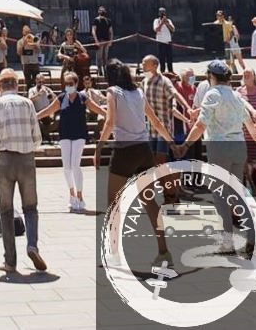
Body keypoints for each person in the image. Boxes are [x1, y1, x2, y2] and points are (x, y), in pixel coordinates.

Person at [95, 59, 178, 265]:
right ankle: (164, 251)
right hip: (144, 150)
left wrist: (99, 147)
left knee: (113, 203)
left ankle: (114, 253)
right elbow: (155, 121)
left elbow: (110, 121)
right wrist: (171, 143)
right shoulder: (139, 92)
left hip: (124, 151)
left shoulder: (113, 92)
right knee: (150, 201)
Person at [178, 59, 256, 247]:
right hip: (239, 145)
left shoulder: (212, 94)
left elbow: (200, 125)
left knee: (220, 195)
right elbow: (248, 121)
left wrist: (185, 145)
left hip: (219, 147)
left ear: (211, 76)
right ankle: (251, 236)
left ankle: (227, 241)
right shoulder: (236, 95)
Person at [0, 69, 47, 275]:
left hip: (5, 160)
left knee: (6, 210)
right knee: (30, 207)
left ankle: (10, 261)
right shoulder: (27, 103)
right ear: (17, 85)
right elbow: (37, 137)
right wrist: (28, 148)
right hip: (26, 159)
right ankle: (32, 246)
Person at [40, 70, 103, 211]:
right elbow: (48, 110)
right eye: (66, 83)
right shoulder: (61, 98)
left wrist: (109, 115)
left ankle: (80, 196)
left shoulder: (82, 97)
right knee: (66, 166)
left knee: (75, 165)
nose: (68, 86)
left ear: (76, 83)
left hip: (79, 134)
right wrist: (34, 116)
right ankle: (71, 194)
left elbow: (96, 108)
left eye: (70, 83)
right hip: (65, 134)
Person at [140, 54, 191, 160]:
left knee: (161, 159)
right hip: (151, 128)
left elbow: (175, 94)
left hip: (164, 128)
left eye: (145, 64)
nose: (142, 65)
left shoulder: (164, 81)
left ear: (154, 66)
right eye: (142, 63)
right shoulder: (144, 82)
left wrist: (187, 108)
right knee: (151, 160)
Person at [29, 72, 56, 146]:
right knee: (38, 122)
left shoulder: (47, 89)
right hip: (37, 112)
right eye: (39, 82)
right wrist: (38, 94)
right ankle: (47, 137)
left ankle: (45, 137)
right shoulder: (32, 90)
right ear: (36, 81)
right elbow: (29, 100)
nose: (41, 83)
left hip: (47, 112)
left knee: (52, 121)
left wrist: (51, 94)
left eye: (42, 82)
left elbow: (55, 99)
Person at [17, 25, 40, 90]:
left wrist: (35, 44)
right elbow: (19, 53)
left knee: (36, 81)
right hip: (26, 63)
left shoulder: (34, 39)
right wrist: (24, 44)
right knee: (28, 82)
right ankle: (29, 92)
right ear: (23, 32)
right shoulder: (20, 41)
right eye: (26, 32)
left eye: (28, 32)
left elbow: (38, 51)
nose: (27, 33)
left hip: (34, 63)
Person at [91, 7, 113, 73]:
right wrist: (96, 40)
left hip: (106, 40)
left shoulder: (108, 21)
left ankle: (105, 69)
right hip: (99, 40)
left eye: (103, 10)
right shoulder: (96, 20)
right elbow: (93, 31)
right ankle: (99, 70)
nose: (102, 11)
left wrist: (110, 41)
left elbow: (111, 31)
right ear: (98, 11)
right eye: (100, 10)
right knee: (99, 56)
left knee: (105, 56)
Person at [152, 8, 175, 72]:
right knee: (162, 59)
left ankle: (171, 72)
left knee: (169, 59)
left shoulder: (169, 20)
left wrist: (167, 23)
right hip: (160, 42)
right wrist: (162, 23)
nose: (162, 13)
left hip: (168, 41)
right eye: (161, 12)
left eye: (163, 12)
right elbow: (156, 30)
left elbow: (173, 29)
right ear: (159, 13)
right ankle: (162, 72)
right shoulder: (156, 21)